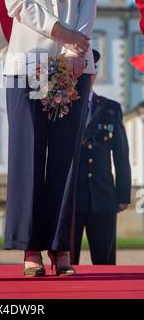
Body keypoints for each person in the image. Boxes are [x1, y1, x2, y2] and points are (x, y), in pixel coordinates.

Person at [0, 0, 97, 276]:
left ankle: (60, 248)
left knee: (64, 159)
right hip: (27, 65)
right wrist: (64, 34)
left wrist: (77, 47)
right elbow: (16, 3)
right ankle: (30, 250)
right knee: (27, 157)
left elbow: (89, 1)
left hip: (74, 65)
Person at [73, 50, 131, 265]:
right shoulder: (62, 106)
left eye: (91, 71)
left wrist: (123, 194)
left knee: (105, 262)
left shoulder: (110, 108)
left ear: (95, 74)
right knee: (67, 263)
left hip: (103, 197)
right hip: (71, 199)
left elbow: (121, 155)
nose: (86, 76)